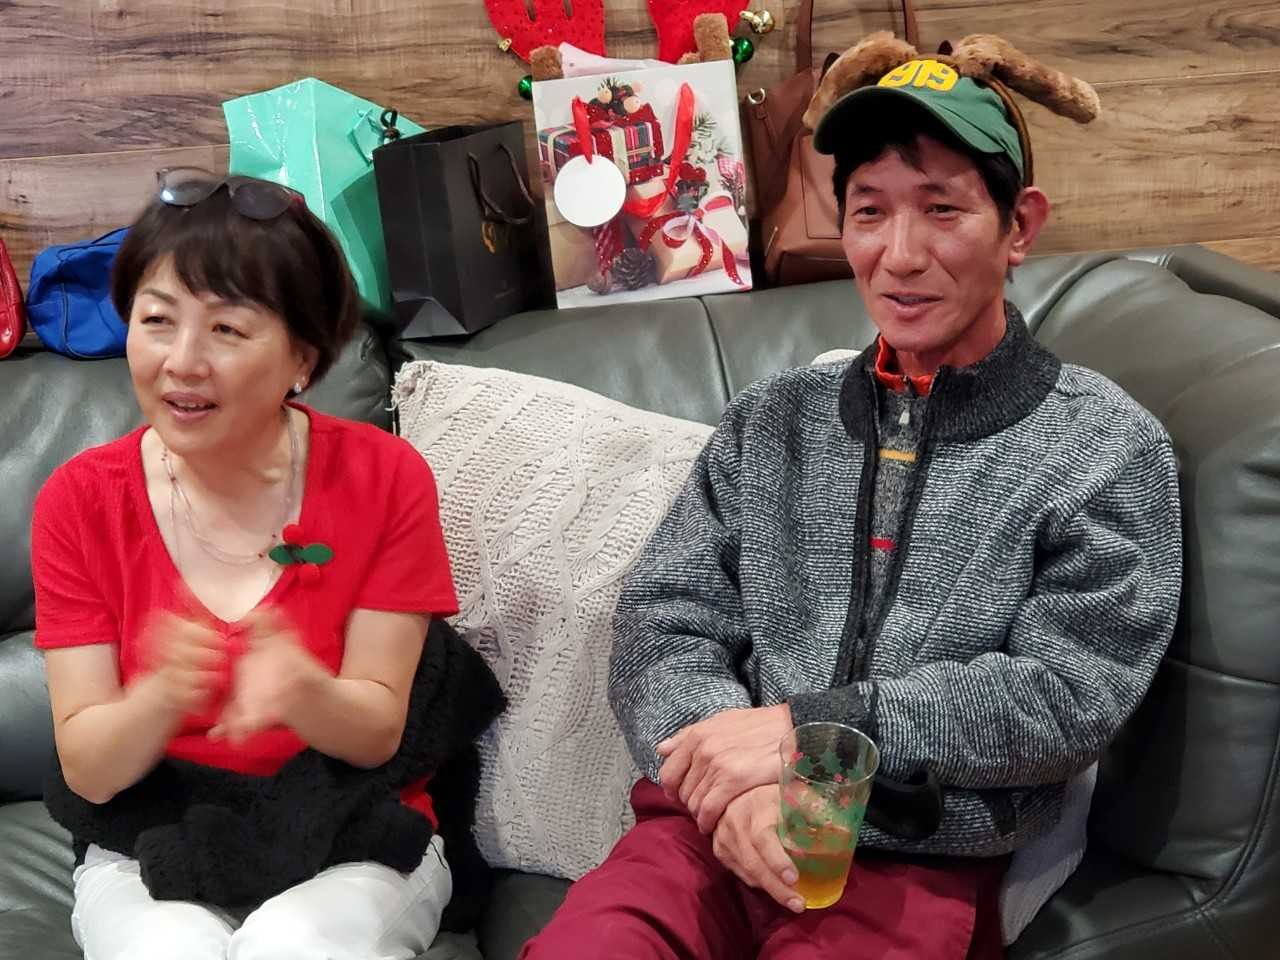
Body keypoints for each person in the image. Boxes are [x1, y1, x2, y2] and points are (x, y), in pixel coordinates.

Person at [521, 42, 1182, 960]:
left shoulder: (1104, 445)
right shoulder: (771, 421)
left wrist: (809, 734)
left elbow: (1070, 695)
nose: (899, 256)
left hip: (913, 853)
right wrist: (730, 781)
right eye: (870, 211)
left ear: (1019, 226)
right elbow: (664, 618)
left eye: (942, 208)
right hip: (710, 833)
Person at [30, 169, 480, 960]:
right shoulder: (79, 501)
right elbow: (91, 771)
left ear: (303, 357)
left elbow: (377, 733)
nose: (181, 362)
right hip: (152, 831)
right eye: (157, 320)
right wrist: (159, 698)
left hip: (350, 826)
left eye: (227, 330)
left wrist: (303, 690)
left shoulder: (384, 477)